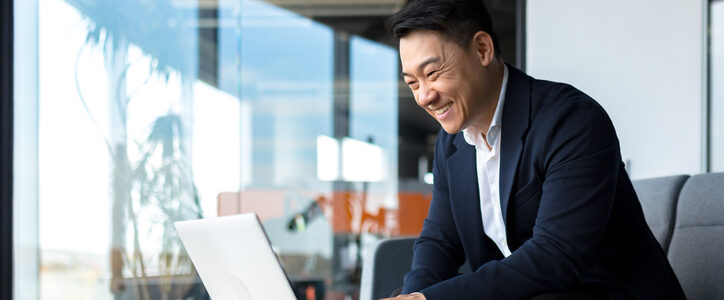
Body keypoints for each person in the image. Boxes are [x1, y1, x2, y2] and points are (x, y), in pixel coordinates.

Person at [381, 0, 686, 299]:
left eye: (432, 74)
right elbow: (439, 242)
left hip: (602, 289)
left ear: (482, 49)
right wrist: (413, 296)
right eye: (412, 83)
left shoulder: (571, 121)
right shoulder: (452, 144)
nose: (423, 97)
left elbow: (556, 256)